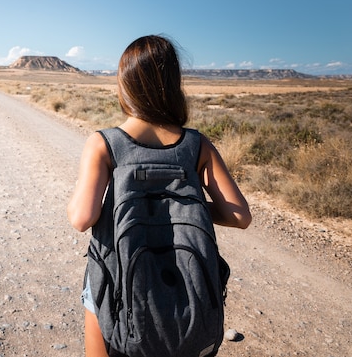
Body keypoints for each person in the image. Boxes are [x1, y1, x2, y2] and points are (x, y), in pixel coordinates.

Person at [67, 35, 252, 357]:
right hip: (186, 284)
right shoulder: (197, 145)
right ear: (173, 84)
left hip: (116, 279)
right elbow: (239, 216)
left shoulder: (104, 143)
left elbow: (82, 218)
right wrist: (182, 206)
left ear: (126, 84)